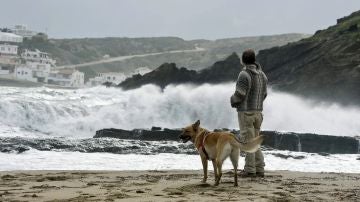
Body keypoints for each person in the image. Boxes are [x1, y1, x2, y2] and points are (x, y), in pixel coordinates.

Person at [230, 49, 267, 178]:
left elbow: (240, 94)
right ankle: (260, 168)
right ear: (254, 59)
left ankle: (250, 170)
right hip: (258, 113)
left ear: (243, 60)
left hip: (246, 113)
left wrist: (233, 101)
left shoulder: (244, 74)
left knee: (248, 142)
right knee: (255, 141)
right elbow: (265, 94)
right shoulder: (262, 75)